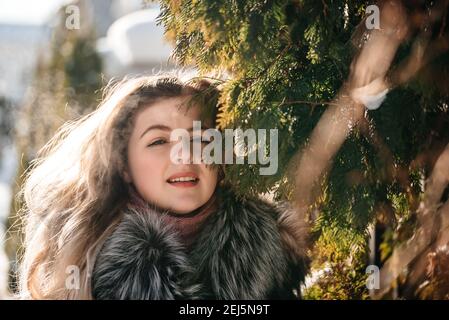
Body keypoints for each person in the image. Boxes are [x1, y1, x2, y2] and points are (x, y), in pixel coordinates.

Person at [18, 74, 309, 299]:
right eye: (159, 141)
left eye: (200, 139)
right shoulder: (83, 269)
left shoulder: (276, 253)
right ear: (124, 165)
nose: (185, 154)